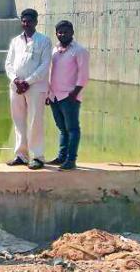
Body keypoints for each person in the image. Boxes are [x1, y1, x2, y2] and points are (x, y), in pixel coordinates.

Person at [4, 8, 52, 170]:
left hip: (35, 87)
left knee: (35, 121)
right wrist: (15, 80)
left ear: (36, 22)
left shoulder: (44, 41)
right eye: (24, 21)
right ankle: (21, 155)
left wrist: (28, 82)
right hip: (16, 87)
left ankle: (37, 157)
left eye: (29, 20)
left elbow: (44, 66)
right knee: (18, 121)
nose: (26, 23)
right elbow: (9, 64)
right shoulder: (15, 41)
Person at [46, 20, 89, 171]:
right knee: (62, 128)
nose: (62, 34)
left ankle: (71, 160)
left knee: (72, 128)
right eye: (59, 32)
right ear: (56, 33)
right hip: (54, 96)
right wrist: (48, 93)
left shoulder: (79, 50)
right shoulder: (54, 50)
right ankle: (61, 157)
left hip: (69, 96)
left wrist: (75, 93)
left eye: (66, 31)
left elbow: (84, 75)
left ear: (72, 32)